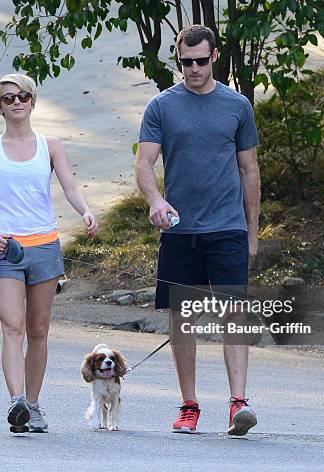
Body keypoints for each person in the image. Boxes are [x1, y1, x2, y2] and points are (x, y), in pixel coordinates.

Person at [135, 25, 260, 436]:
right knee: (182, 320)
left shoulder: (237, 105)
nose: (194, 69)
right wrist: (155, 200)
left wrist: (252, 231)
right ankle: (189, 405)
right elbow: (144, 164)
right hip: (180, 230)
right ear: (179, 61)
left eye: (201, 61)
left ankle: (238, 404)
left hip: (227, 227)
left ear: (215, 56)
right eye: (186, 62)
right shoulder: (162, 106)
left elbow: (249, 169)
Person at [0, 73, 98, 433]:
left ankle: (33, 403)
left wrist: (85, 211)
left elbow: (70, 185)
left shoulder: (51, 145)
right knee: (13, 326)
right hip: (6, 249)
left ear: (32, 101)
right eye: (8, 98)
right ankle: (17, 402)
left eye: (22, 97)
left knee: (38, 329)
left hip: (44, 247)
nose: (16, 103)